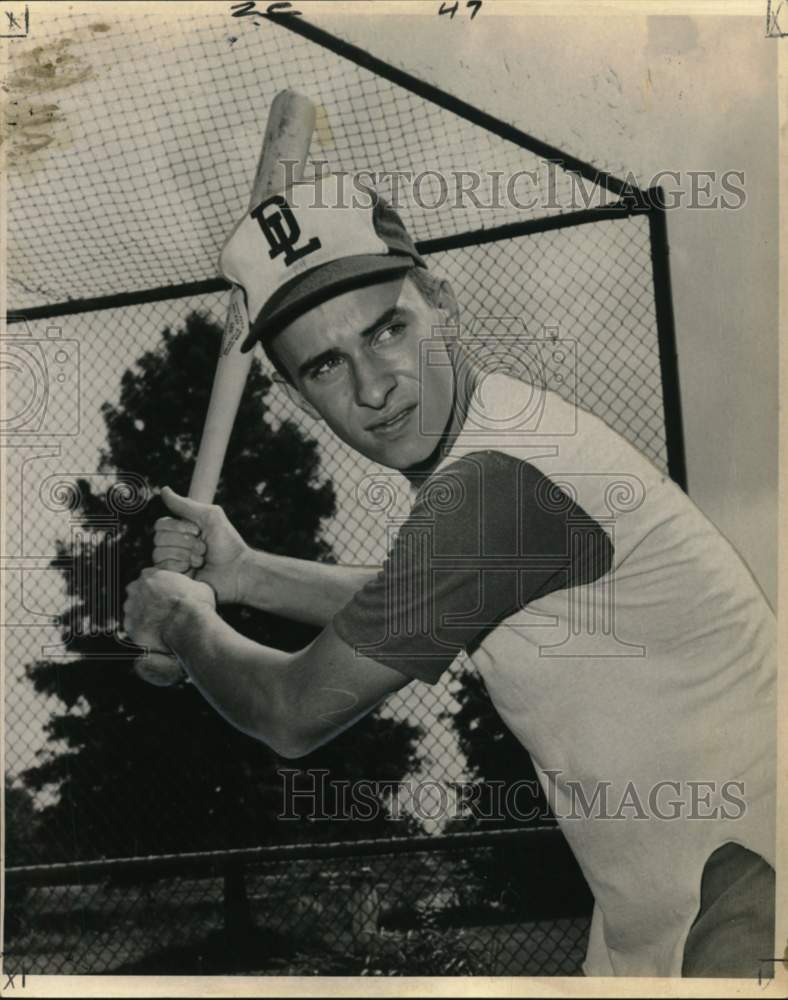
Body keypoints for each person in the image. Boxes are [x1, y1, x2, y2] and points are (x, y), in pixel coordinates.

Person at [124, 173, 776, 977]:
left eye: (387, 329)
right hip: (651, 914)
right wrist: (246, 574)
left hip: (748, 892)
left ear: (443, 300)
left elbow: (294, 712)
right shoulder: (499, 436)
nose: (371, 387)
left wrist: (185, 620)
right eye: (325, 367)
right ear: (297, 396)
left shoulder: (492, 486)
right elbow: (419, 604)